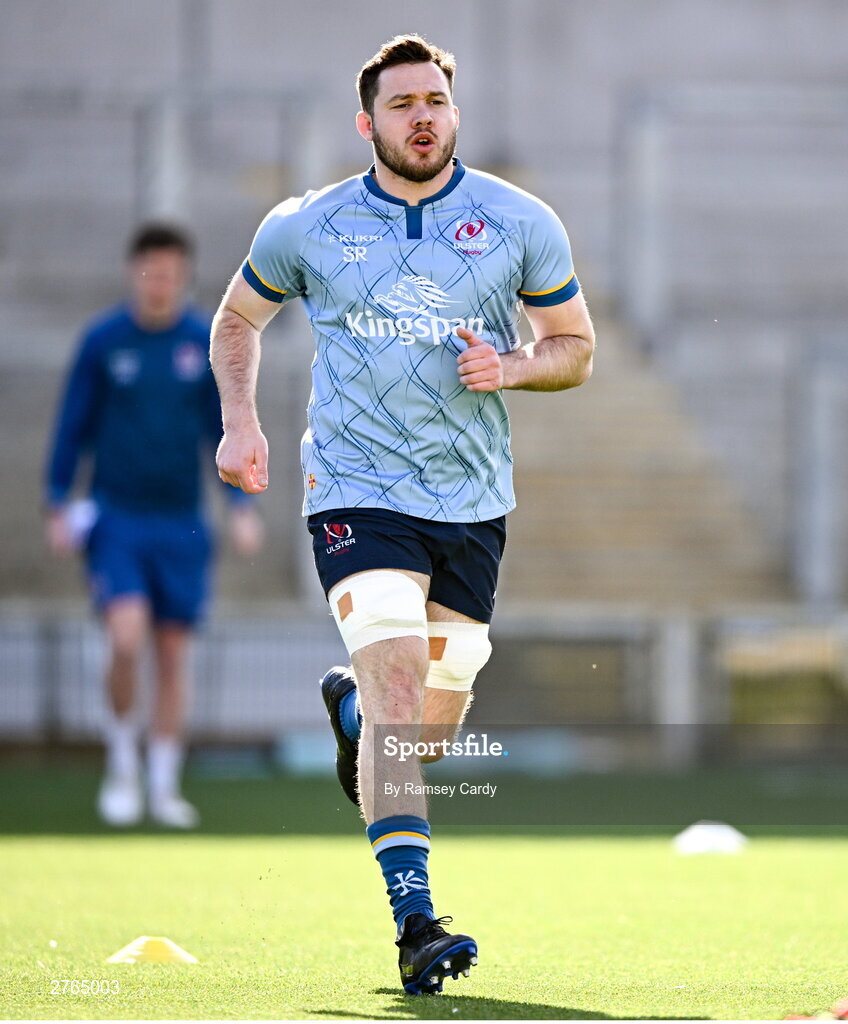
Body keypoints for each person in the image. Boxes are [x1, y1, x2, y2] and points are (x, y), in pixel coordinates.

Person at [210, 34, 594, 993]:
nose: (421, 116)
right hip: (355, 491)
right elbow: (236, 320)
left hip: (472, 502)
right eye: (401, 104)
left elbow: (575, 347)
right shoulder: (307, 226)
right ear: (367, 122)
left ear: (454, 113)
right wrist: (239, 423)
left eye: (435, 101)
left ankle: (345, 709)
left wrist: (509, 366)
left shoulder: (518, 220)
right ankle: (417, 924)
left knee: (424, 723)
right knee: (394, 698)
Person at [45, 222, 263, 830]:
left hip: (183, 525)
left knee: (172, 653)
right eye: (151, 272)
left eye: (171, 273)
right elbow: (72, 425)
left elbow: (219, 433)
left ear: (184, 277)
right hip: (117, 519)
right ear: (134, 273)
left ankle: (164, 785)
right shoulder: (103, 341)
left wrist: (241, 508)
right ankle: (121, 766)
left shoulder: (201, 343)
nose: (160, 284)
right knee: (124, 637)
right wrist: (58, 501)